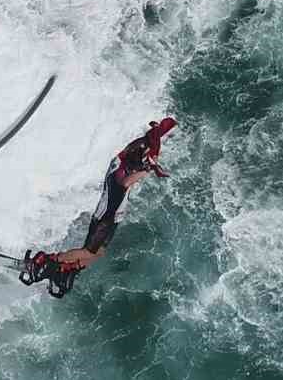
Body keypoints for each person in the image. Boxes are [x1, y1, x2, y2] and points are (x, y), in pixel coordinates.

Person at [22, 117, 178, 295]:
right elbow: (127, 181)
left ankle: (69, 267)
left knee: (99, 253)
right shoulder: (120, 178)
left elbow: (138, 145)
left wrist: (156, 135)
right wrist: (148, 170)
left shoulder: (121, 160)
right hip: (105, 220)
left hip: (111, 218)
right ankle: (48, 260)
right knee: (89, 251)